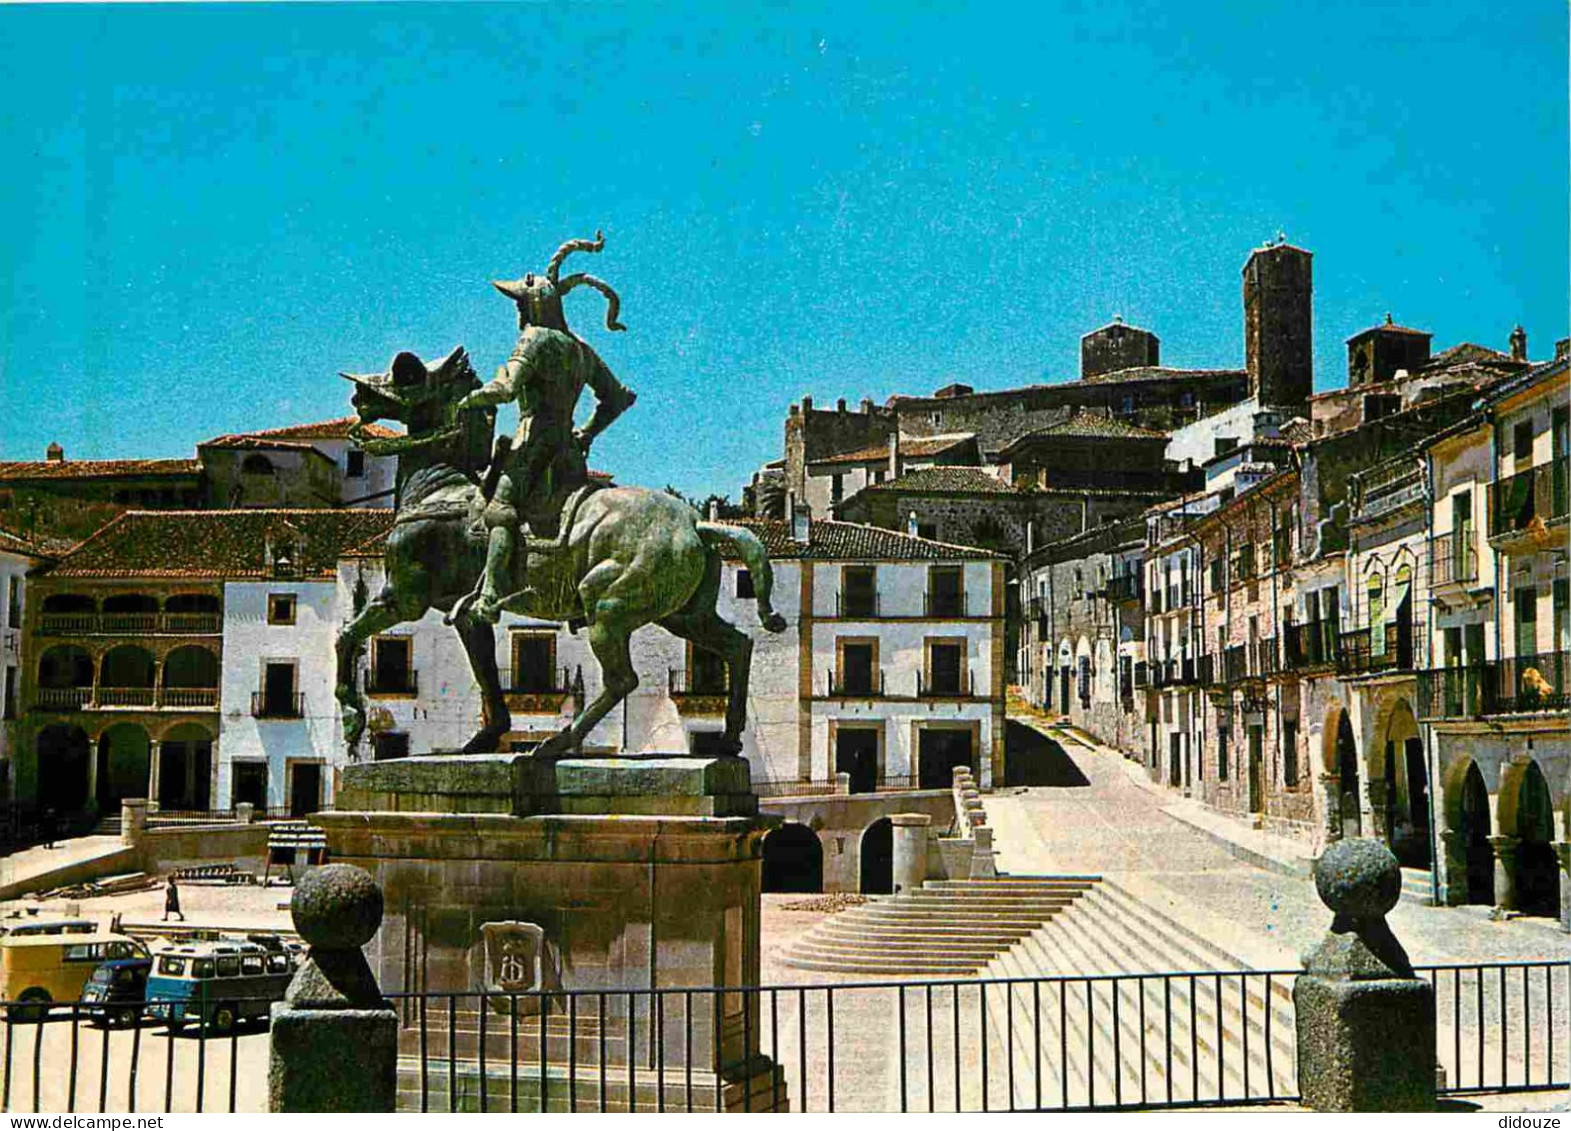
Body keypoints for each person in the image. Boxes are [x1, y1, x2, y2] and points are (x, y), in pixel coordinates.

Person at [455, 231, 637, 624]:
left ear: (530, 307)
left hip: (532, 446)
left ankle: (490, 594)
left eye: (519, 304)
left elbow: (505, 390)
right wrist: (586, 432)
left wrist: (469, 400)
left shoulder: (533, 339)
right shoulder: (580, 349)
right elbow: (619, 398)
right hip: (569, 454)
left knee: (500, 508)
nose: (517, 313)